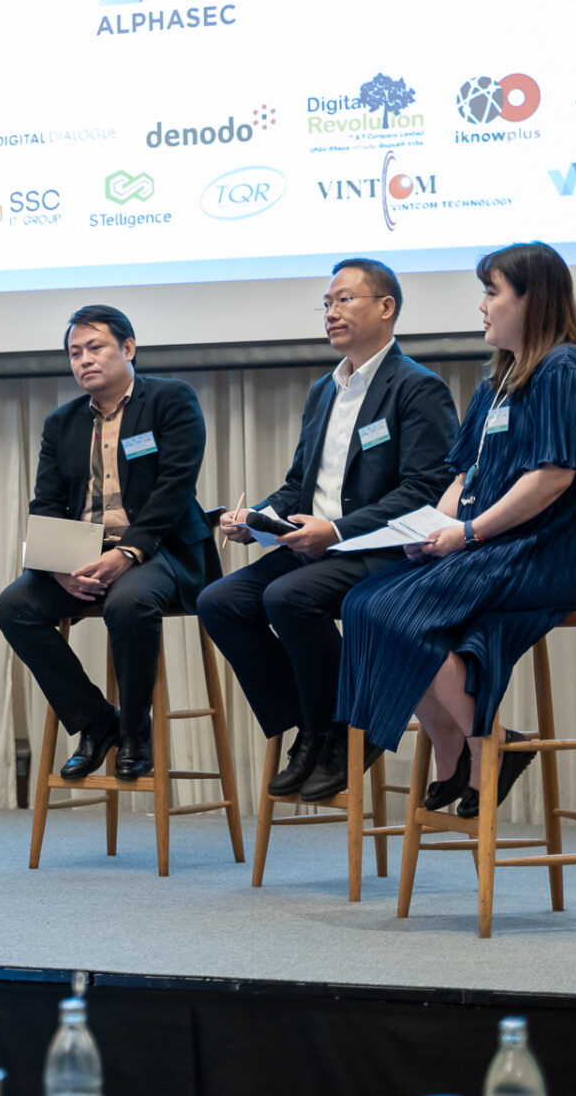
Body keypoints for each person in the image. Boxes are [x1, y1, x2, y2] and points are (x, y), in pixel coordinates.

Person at [337, 242, 576, 816]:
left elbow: (552, 479)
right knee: (364, 602)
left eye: (492, 292)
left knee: (396, 612)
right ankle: (456, 744)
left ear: (533, 300)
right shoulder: (497, 381)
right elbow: (463, 475)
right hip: (490, 547)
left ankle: (487, 743)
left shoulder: (566, 368)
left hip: (543, 550)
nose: (482, 306)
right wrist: (431, 530)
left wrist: (467, 535)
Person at [198, 259, 458, 801]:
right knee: (219, 601)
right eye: (326, 303)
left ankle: (343, 730)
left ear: (386, 307)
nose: (331, 312)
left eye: (344, 299)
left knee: (288, 598)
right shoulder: (324, 390)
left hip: (380, 551)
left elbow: (424, 490)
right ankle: (311, 727)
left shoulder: (417, 387)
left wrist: (336, 531)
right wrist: (258, 517)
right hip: (316, 547)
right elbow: (300, 484)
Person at [0, 305, 211, 782]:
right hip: (83, 555)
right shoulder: (62, 422)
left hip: (159, 550)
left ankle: (135, 732)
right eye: (75, 353)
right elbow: (46, 502)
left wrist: (126, 553)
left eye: (95, 348)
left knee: (128, 602)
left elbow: (174, 488)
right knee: (14, 606)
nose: (84, 360)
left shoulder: (170, 399)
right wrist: (59, 566)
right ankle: (96, 721)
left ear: (128, 349)